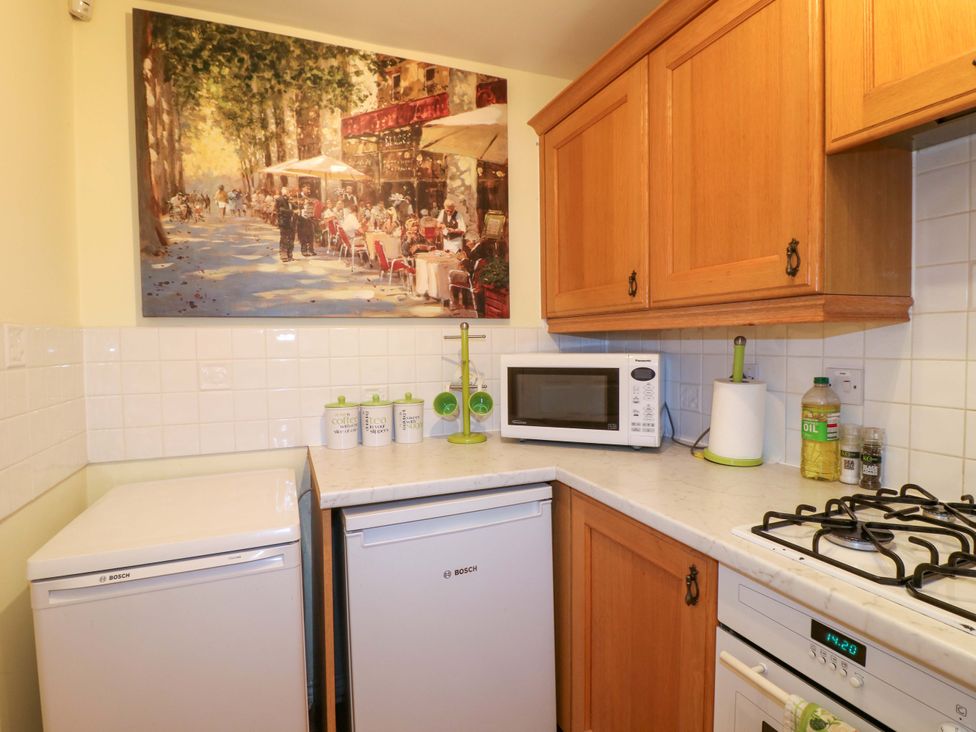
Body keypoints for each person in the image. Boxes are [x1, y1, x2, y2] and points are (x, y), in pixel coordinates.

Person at [275, 186, 296, 262]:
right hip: (283, 222)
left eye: (288, 192)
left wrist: (292, 202)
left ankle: (290, 254)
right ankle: (283, 254)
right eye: (286, 192)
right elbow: (280, 210)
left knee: (291, 238)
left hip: (291, 222)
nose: (287, 193)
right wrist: (291, 211)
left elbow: (296, 207)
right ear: (282, 192)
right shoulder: (279, 199)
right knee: (284, 238)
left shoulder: (290, 200)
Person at [297, 184, 318, 257]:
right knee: (303, 235)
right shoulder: (299, 196)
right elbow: (297, 205)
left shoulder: (310, 196)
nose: (309, 190)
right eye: (307, 188)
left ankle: (311, 250)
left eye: (309, 189)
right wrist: (303, 203)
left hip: (310, 217)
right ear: (303, 189)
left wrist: (312, 202)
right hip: (302, 218)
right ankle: (304, 250)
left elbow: (315, 203)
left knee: (311, 234)